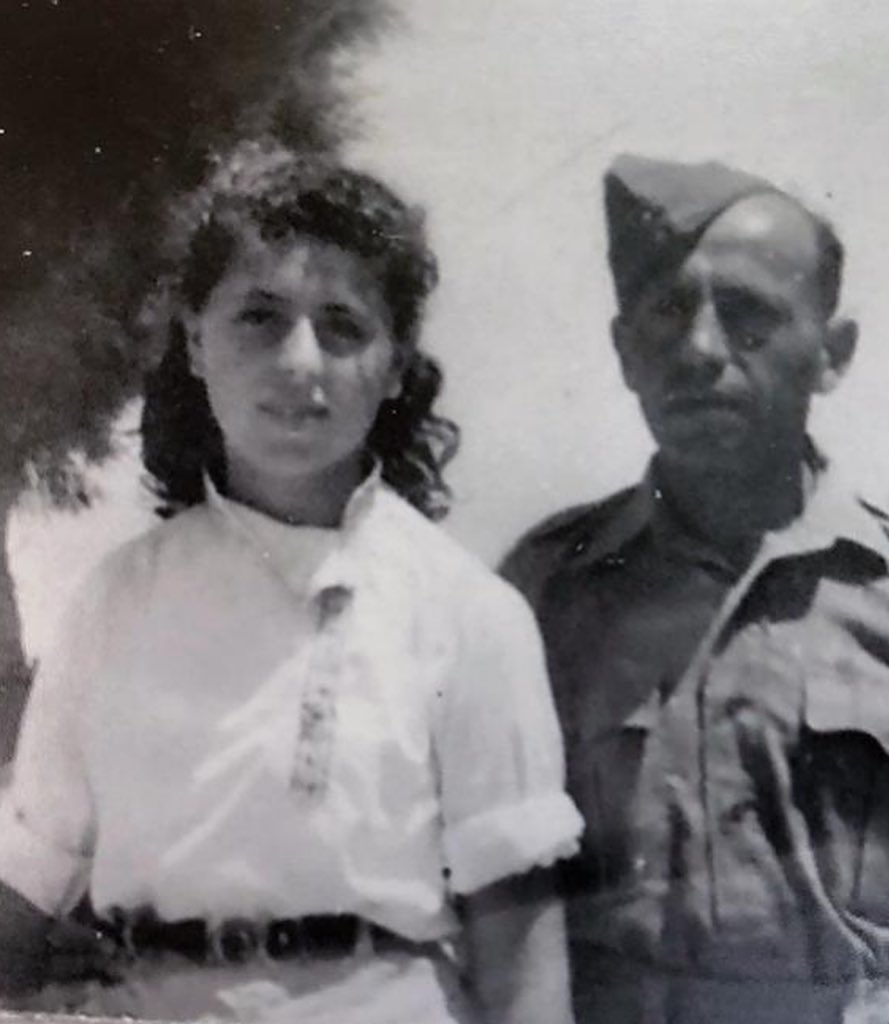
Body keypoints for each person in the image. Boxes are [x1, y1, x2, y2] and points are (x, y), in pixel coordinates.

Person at [0, 139, 582, 1024]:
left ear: (395, 366)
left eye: (343, 326)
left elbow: (524, 965)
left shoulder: (469, 616)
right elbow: (27, 874)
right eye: (260, 317)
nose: (300, 361)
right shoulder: (116, 601)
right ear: (195, 341)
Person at [502, 153, 889, 1024]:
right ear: (625, 351)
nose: (700, 349)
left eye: (748, 316)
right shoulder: (541, 593)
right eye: (667, 313)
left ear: (832, 354)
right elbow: (493, 908)